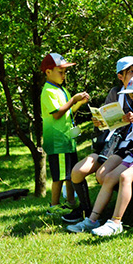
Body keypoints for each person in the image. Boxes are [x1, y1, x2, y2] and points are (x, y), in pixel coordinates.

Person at [67, 74, 133, 236]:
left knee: (125, 176)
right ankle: (92, 220)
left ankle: (116, 222)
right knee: (110, 177)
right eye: (131, 98)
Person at [61, 56, 133, 224]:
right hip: (109, 144)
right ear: (120, 76)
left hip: (129, 145)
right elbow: (106, 121)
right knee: (77, 172)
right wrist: (99, 123)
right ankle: (85, 209)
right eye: (131, 72)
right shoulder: (115, 93)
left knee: (102, 176)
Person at [40, 53, 90, 214]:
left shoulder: (62, 89)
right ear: (48, 72)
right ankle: (54, 205)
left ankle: (71, 202)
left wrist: (79, 103)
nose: (63, 75)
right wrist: (73, 100)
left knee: (70, 172)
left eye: (64, 72)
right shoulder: (48, 91)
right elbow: (57, 114)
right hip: (57, 140)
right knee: (60, 175)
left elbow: (68, 111)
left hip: (67, 138)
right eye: (60, 71)